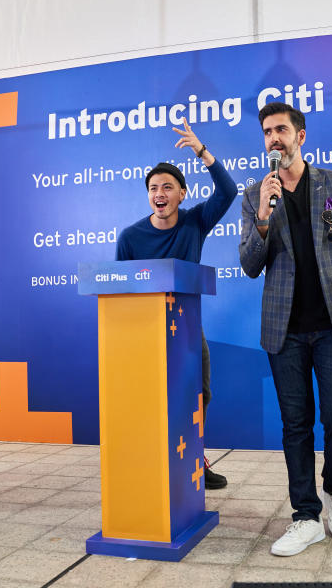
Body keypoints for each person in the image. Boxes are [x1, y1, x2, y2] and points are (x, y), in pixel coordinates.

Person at [239, 102, 332, 556]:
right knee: (294, 426)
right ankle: (305, 515)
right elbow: (248, 265)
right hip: (284, 331)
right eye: (267, 132)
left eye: (281, 129)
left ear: (302, 135)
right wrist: (263, 215)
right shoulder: (254, 194)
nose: (273, 139)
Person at [116, 120, 238, 490]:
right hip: (143, 331)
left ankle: (195, 458)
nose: (159, 193)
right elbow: (120, 291)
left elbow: (229, 191)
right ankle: (150, 459)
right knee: (149, 398)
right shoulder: (131, 236)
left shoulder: (195, 222)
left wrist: (202, 151)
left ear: (182, 194)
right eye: (153, 188)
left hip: (186, 327)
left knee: (199, 392)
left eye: (167, 187)